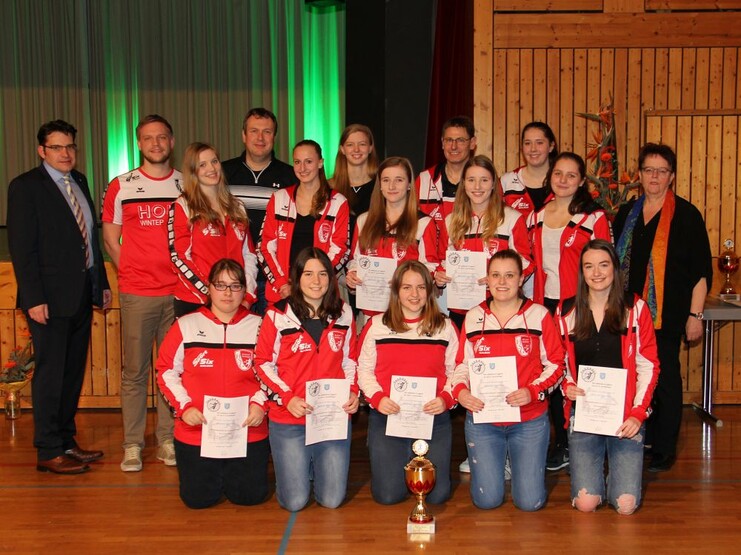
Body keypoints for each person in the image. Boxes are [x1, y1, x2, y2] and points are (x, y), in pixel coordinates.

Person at [7, 119, 111, 474]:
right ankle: (48, 449)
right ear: (42, 151)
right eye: (57, 147)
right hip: (48, 300)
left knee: (71, 374)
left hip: (81, 295)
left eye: (70, 147)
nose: (66, 153)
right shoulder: (25, 187)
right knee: (51, 375)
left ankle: (66, 441)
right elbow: (23, 249)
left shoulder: (78, 181)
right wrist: (34, 298)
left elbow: (89, 241)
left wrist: (102, 284)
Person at [613, 143, 712, 473]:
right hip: (629, 315)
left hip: (667, 317)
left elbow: (700, 272)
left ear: (671, 176)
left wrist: (695, 315)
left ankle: (664, 447)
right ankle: (639, 436)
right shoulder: (627, 213)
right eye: (648, 170)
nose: (654, 176)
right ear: (639, 174)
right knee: (634, 378)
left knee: (665, 379)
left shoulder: (686, 215)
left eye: (662, 171)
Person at [452, 250, 564, 511]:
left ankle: (520, 463)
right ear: (487, 280)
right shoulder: (473, 317)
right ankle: (497, 464)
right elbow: (461, 366)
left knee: (529, 503)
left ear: (521, 279)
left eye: (509, 275)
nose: (502, 282)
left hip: (528, 420)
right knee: (486, 501)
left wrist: (533, 391)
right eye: (496, 275)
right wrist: (460, 392)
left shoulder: (538, 315)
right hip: (484, 420)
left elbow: (558, 365)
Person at [102, 114, 182, 472]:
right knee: (135, 372)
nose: (155, 144)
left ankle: (167, 439)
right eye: (148, 138)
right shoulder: (121, 185)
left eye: (162, 137)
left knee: (171, 370)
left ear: (172, 142)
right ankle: (132, 444)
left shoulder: (185, 184)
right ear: (138, 143)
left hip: (179, 293)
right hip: (138, 293)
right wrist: (132, 271)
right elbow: (109, 237)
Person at [557, 240, 660, 515]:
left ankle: (618, 482)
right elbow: (560, 363)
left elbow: (649, 365)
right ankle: (591, 481)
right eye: (589, 266)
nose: (597, 273)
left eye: (604, 265)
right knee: (586, 503)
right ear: (582, 272)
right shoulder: (565, 311)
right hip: (585, 416)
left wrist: (638, 413)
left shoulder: (635, 308)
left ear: (615, 268)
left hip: (625, 418)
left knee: (625, 506)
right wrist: (567, 385)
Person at [157, 259, 269, 509]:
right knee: (198, 500)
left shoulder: (261, 326)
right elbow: (165, 371)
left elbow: (275, 371)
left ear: (245, 289)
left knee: (250, 498)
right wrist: (184, 407)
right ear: (208, 288)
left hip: (247, 431)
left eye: (235, 285)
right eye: (220, 285)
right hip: (197, 431)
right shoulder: (186, 325)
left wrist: (261, 404)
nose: (228, 293)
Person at [254, 248, 359, 512]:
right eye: (308, 273)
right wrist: (287, 398)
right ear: (296, 278)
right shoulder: (277, 315)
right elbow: (262, 364)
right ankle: (299, 468)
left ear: (331, 278)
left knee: (332, 500)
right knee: (295, 502)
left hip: (330, 417)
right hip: (290, 418)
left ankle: (311, 464)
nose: (316, 281)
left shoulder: (344, 314)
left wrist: (353, 392)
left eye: (323, 274)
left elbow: (351, 361)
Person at [527, 151, 612, 471]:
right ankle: (559, 440)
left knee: (578, 370)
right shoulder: (535, 216)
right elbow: (527, 261)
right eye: (558, 174)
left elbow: (606, 264)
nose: (563, 180)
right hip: (543, 306)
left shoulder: (594, 217)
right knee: (550, 370)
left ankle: (587, 438)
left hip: (579, 305)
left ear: (581, 181)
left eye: (571, 175)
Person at [357, 260, 459, 505]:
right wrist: (378, 398)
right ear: (396, 291)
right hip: (388, 416)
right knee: (388, 495)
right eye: (407, 288)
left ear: (430, 291)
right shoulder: (376, 326)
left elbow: (457, 370)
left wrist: (446, 399)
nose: (414, 294)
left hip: (432, 418)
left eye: (421, 287)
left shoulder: (444, 326)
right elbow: (364, 369)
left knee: (437, 495)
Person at [434, 155, 533, 331]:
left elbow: (526, 262)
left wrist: (500, 280)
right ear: (463, 184)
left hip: (500, 306)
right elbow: (443, 260)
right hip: (461, 308)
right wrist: (440, 276)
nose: (477, 187)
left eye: (484, 180)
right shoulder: (451, 221)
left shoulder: (512, 218)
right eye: (471, 180)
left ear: (494, 183)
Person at [169, 142, 258, 318]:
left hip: (234, 302)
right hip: (195, 301)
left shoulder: (237, 206)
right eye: (202, 165)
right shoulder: (184, 206)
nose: (211, 168)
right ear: (193, 171)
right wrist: (210, 292)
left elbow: (249, 255)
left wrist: (247, 295)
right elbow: (178, 257)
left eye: (214, 161)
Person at [222, 108, 298, 315]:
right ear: (243, 135)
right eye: (254, 131)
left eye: (267, 132)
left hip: (274, 278)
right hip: (234, 277)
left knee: (270, 342)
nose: (260, 138)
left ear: (274, 136)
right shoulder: (223, 174)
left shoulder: (291, 177)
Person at [258, 140, 350, 307]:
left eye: (309, 162)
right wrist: (281, 283)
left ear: (320, 163)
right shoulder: (279, 198)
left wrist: (314, 282)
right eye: (297, 162)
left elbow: (340, 249)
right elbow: (265, 247)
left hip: (320, 294)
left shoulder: (338, 202)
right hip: (282, 293)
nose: (302, 168)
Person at [346, 157, 439, 316]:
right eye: (386, 180)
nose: (392, 186)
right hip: (370, 310)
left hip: (407, 311)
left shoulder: (423, 223)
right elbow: (356, 259)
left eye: (399, 180)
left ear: (409, 184)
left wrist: (405, 282)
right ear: (379, 185)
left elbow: (430, 267)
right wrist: (353, 274)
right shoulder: (363, 220)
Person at [415, 116, 477, 224]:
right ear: (442, 143)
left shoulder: (484, 181)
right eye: (449, 140)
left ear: (472, 143)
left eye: (460, 140)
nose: (453, 146)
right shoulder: (424, 180)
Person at [500, 121, 558, 217]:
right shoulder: (506, 182)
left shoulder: (563, 182)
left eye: (539, 143)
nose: (533, 149)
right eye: (527, 143)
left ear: (551, 146)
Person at [330, 123, 379, 228]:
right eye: (350, 145)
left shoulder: (382, 185)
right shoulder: (328, 186)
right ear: (342, 149)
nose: (356, 149)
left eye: (362, 144)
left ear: (370, 148)